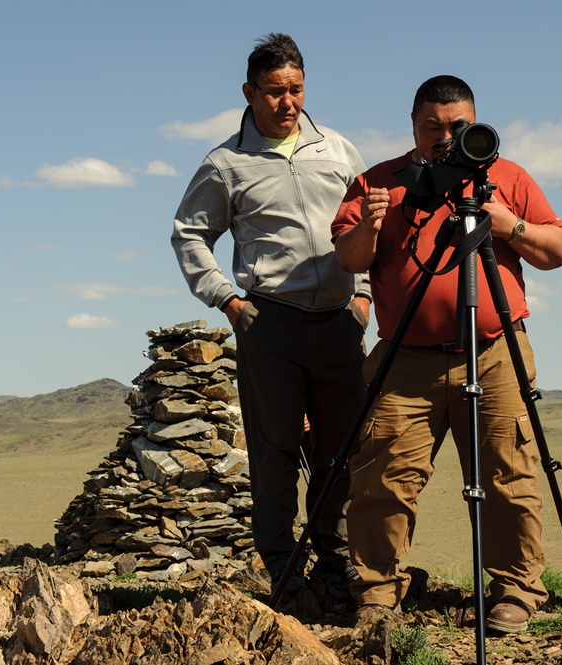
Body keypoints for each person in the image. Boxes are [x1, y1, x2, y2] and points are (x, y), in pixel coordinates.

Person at [331, 75, 562, 634]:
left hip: (494, 351)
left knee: (509, 472)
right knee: (382, 475)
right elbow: (348, 259)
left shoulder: (506, 179)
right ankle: (377, 591)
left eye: (455, 126)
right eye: (430, 127)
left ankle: (515, 590)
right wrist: (371, 221)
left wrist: (507, 224)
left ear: (476, 122)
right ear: (412, 126)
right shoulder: (379, 181)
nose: (443, 138)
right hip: (404, 358)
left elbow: (556, 250)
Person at [171, 32, 369, 589]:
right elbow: (188, 235)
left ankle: (336, 557)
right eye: (275, 91)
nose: (288, 103)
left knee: (342, 446)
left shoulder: (337, 149)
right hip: (269, 320)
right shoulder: (225, 163)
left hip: (338, 321)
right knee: (275, 446)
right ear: (250, 92)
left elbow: (373, 224)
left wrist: (364, 296)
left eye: (297, 89)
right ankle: (282, 561)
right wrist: (228, 300)